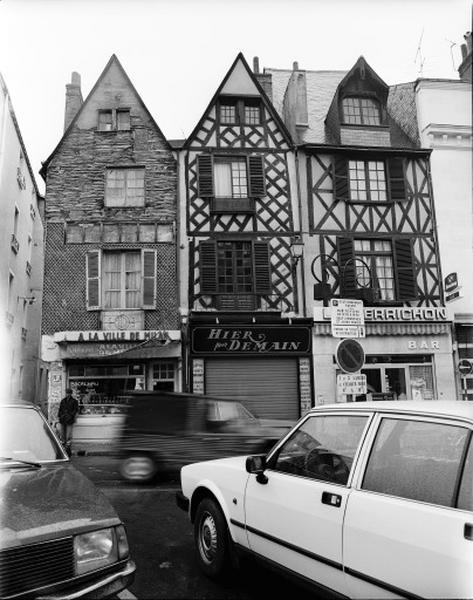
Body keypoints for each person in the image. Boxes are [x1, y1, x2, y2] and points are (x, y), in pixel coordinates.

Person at [58, 388, 80, 456]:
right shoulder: (63, 401)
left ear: (71, 393)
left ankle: (68, 449)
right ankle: (63, 448)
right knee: (62, 435)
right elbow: (60, 409)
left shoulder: (74, 401)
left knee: (68, 435)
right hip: (63, 419)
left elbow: (75, 410)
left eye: (69, 393)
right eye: (67, 393)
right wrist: (60, 416)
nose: (67, 394)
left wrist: (70, 415)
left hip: (69, 420)